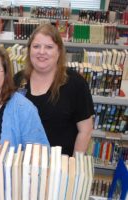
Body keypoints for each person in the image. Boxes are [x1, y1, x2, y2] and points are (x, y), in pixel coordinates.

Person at [23, 23, 94, 156]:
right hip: (23, 162)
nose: (41, 52)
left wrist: (74, 166)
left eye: (49, 47)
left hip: (60, 165)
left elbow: (86, 130)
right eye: (36, 46)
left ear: (59, 51)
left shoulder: (75, 83)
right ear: (29, 50)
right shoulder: (18, 80)